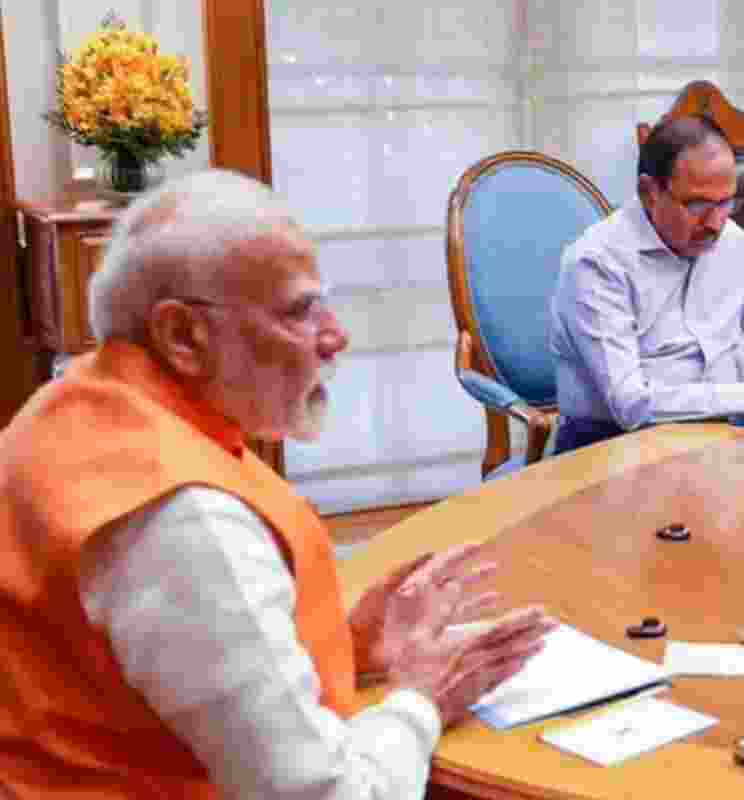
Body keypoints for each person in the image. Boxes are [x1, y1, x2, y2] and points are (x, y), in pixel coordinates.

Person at [0, 170, 556, 799]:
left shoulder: (73, 408)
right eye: (299, 310)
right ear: (183, 335)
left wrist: (349, 646)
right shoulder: (182, 516)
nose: (335, 336)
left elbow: (153, 669)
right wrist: (423, 700)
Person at [549, 115, 744, 454]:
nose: (716, 223)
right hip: (613, 447)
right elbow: (631, 404)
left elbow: (728, 337)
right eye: (699, 205)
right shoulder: (596, 263)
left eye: (726, 203)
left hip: (720, 436)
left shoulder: (733, 242)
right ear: (649, 192)